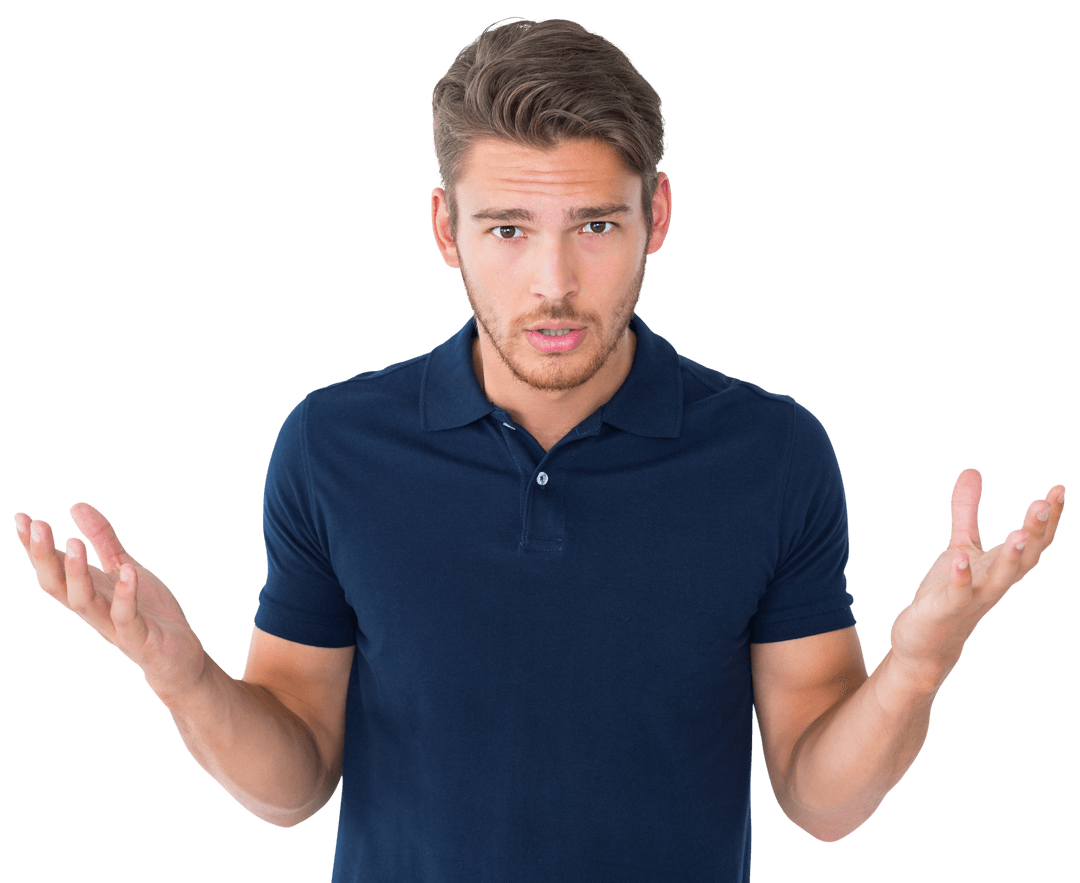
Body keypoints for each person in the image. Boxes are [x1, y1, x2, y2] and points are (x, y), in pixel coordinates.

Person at [14, 17, 1065, 883]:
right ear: (445, 229)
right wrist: (184, 675)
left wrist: (919, 667)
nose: (553, 282)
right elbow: (294, 781)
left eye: (595, 227)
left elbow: (819, 798)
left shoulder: (772, 453)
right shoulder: (332, 447)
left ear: (656, 215)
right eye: (509, 229)